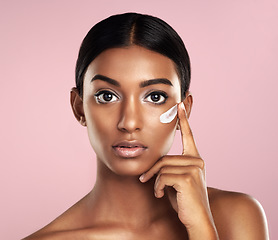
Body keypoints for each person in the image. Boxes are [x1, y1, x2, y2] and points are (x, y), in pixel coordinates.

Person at [23, 12, 269, 240]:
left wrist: (201, 228)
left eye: (155, 97)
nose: (129, 122)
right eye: (107, 96)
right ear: (79, 108)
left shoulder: (236, 217)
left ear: (183, 110)